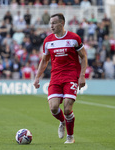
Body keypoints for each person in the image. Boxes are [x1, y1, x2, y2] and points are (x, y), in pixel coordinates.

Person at [33, 13, 87, 144]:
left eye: (54, 23)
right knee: (53, 108)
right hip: (56, 77)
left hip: (71, 76)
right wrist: (37, 77)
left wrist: (82, 75)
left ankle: (70, 137)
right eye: (50, 23)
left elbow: (83, 56)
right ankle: (62, 122)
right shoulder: (48, 41)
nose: (51, 26)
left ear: (61, 24)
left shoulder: (74, 38)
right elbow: (44, 60)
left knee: (68, 108)